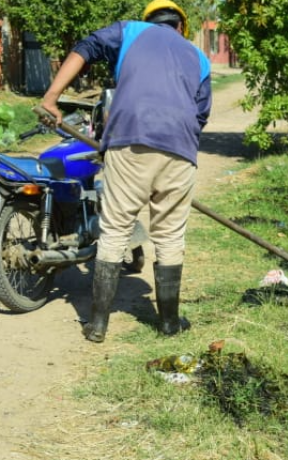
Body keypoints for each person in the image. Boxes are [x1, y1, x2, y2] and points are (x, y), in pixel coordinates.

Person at [40, 0, 212, 343]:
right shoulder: (199, 57)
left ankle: (97, 325)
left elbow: (84, 49)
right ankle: (169, 323)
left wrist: (51, 97)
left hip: (128, 140)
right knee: (170, 235)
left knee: (116, 229)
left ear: (149, 19)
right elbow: (201, 114)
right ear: (181, 26)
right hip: (180, 149)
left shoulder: (129, 31)